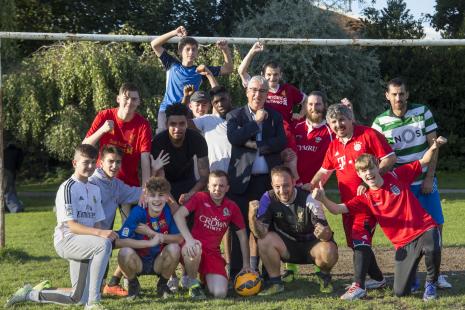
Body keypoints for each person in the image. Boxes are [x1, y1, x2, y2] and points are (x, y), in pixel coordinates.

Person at [313, 136, 448, 301]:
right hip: (403, 244)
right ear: (359, 174)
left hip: (424, 228)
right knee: (400, 292)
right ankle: (412, 274)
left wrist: (434, 147)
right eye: (363, 171)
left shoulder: (397, 176)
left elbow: (424, 161)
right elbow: (337, 209)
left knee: (433, 245)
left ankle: (431, 284)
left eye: (370, 168)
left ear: (378, 166)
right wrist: (322, 199)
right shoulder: (365, 198)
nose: (368, 173)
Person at [5, 144, 115, 309]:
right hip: (68, 240)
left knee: (77, 298)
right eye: (86, 162)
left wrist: (102, 233)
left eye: (93, 162)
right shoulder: (68, 188)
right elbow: (72, 226)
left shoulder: (94, 189)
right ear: (74, 163)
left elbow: (98, 221)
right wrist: (100, 234)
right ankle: (94, 302)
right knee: (103, 244)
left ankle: (28, 293)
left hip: (86, 242)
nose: (91, 166)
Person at [309, 103, 397, 300]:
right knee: (355, 242)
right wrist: (310, 186)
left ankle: (358, 286)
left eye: (342, 120)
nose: (339, 124)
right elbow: (324, 172)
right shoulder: (334, 145)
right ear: (329, 125)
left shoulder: (368, 135)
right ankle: (378, 278)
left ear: (351, 119)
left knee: (359, 237)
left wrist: (369, 182)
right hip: (348, 204)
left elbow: (389, 158)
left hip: (369, 200)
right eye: (334, 122)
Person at [372, 77, 451, 289]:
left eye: (402, 93)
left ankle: (437, 275)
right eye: (394, 94)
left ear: (407, 94)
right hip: (400, 185)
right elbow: (378, 155)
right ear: (387, 96)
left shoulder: (422, 112)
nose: (398, 98)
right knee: (408, 231)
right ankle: (412, 277)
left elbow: (433, 146)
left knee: (436, 226)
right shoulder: (379, 123)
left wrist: (428, 177)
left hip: (423, 179)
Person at [226, 75, 287, 279]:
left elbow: (280, 142)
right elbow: (235, 138)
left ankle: (269, 275)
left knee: (267, 228)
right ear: (246, 91)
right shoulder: (235, 115)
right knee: (239, 229)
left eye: (262, 91)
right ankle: (236, 273)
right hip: (242, 182)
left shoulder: (276, 116)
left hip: (267, 182)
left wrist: (257, 145)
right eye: (254, 90)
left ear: (267, 94)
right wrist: (255, 122)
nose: (257, 94)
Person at [89, 145, 168, 296]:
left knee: (128, 237)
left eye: (118, 162)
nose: (114, 166)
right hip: (90, 237)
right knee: (82, 293)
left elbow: (143, 194)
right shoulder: (92, 182)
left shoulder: (116, 184)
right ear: (101, 162)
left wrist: (154, 171)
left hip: (104, 238)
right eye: (110, 161)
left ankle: (112, 283)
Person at [248, 166, 338, 295]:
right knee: (264, 240)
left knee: (329, 249)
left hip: (312, 247)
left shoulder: (310, 198)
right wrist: (251, 216)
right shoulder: (267, 198)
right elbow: (260, 233)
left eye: (286, 185)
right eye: (277, 186)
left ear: (294, 183)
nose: (282, 191)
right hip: (287, 247)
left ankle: (324, 277)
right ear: (272, 185)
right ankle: (276, 283)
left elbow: (327, 235)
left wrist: (324, 233)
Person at [174, 170, 252, 298]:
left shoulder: (232, 207)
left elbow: (242, 236)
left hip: (213, 253)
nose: (217, 189)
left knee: (220, 293)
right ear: (208, 186)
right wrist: (189, 240)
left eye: (221, 186)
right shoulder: (200, 197)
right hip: (193, 247)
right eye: (214, 185)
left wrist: (246, 264)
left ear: (227, 188)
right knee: (195, 249)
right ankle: (193, 283)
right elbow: (178, 215)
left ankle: (204, 278)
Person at [83, 83, 152, 224]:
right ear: (118, 99)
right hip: (103, 182)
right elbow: (84, 146)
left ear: (138, 102)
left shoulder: (143, 125)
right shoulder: (105, 116)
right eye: (126, 98)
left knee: (131, 229)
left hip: (128, 183)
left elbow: (145, 159)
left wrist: (145, 190)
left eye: (134, 99)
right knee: (102, 228)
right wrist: (102, 130)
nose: (130, 102)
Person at [151, 26, 233, 132]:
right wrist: (174, 32)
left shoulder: (200, 70)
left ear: (197, 53)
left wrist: (225, 50)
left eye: (194, 50)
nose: (191, 52)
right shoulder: (171, 64)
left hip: (186, 112)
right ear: (180, 52)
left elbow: (228, 69)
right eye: (188, 49)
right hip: (166, 110)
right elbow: (154, 44)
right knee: (162, 139)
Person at [117, 177, 182, 299]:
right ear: (146, 197)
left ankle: (162, 285)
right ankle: (133, 284)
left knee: (175, 249)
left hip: (158, 260)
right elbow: (120, 241)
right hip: (138, 261)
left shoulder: (168, 212)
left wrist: (153, 234)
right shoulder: (138, 212)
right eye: (152, 195)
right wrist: (149, 243)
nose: (157, 199)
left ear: (167, 197)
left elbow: (179, 238)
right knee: (124, 252)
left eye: (161, 195)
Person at [151, 104, 209, 205]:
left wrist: (190, 195)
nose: (177, 128)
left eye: (181, 124)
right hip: (165, 183)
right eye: (173, 124)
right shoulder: (158, 142)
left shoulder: (197, 139)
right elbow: (160, 178)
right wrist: (173, 204)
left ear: (187, 123)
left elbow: (204, 176)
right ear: (166, 124)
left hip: (189, 182)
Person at [237, 42, 306, 124]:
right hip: (263, 132)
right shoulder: (257, 87)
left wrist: (301, 115)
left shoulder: (288, 89)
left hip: (284, 133)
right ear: (262, 74)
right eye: (269, 74)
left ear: (280, 75)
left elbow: (307, 100)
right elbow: (241, 71)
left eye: (276, 74)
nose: (272, 78)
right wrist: (252, 52)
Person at [3, 142, 24, 213]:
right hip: (9, 171)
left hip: (3, 170)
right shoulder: (18, 151)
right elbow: (18, 163)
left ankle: (6, 208)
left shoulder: (4, 151)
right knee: (9, 190)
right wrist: (18, 170)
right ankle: (16, 208)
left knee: (6, 190)